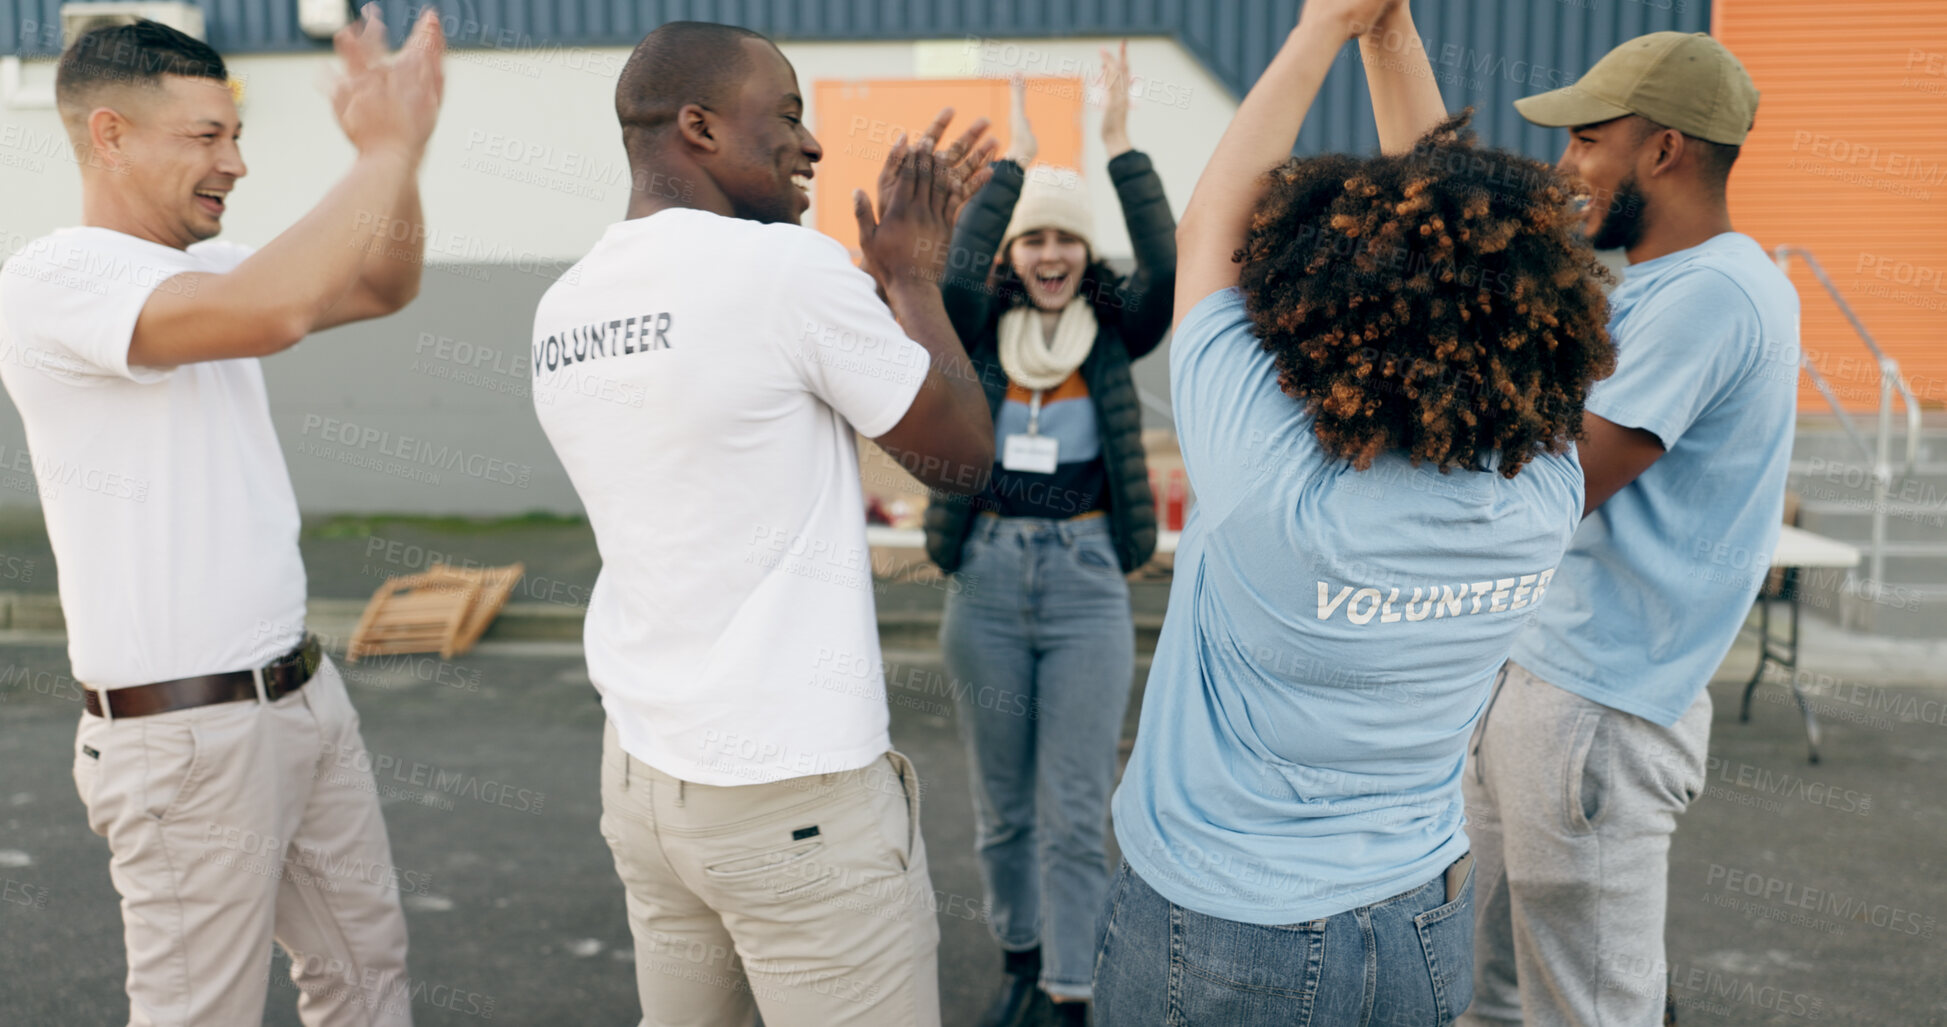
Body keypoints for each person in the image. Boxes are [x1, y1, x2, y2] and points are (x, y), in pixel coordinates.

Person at [1091, 1, 1619, 1023]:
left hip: (1219, 934)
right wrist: (1386, 35)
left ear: (1322, 308)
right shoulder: (1544, 488)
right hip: (1419, 926)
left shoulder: (1269, 480)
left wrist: (1329, 27)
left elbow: (1211, 230)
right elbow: (1463, 242)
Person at [528, 21, 999, 1027]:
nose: (814, 144)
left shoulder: (563, 308)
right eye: (785, 114)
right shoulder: (786, 271)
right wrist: (912, 276)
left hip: (646, 783)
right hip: (794, 799)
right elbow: (962, 457)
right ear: (697, 126)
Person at [0, 10, 443, 1025]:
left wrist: (400, 159)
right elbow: (273, 312)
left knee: (366, 976)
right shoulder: (52, 279)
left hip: (299, 693)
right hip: (182, 736)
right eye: (207, 136)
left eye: (235, 134)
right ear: (109, 134)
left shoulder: (212, 268)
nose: (235, 162)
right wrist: (383, 145)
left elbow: (385, 281)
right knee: (200, 1012)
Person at [1460, 31, 1798, 1027]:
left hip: (1591, 707)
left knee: (1586, 1011)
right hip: (1544, 684)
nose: (1567, 166)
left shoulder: (1712, 292)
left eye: (1587, 141)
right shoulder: (1650, 287)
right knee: (1481, 997)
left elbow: (1561, 483)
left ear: (1663, 152)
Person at [923, 49, 1174, 1027]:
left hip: (1082, 583)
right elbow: (952, 273)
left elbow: (1164, 265)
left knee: (1077, 807)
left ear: (1083, 250)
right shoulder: (981, 326)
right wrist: (1013, 166)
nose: (1051, 255)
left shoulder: (1115, 329)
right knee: (1005, 808)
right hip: (986, 577)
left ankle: (1073, 984)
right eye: (1035, 241)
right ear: (1016, 252)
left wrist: (1117, 146)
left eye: (1067, 241)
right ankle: (1020, 958)